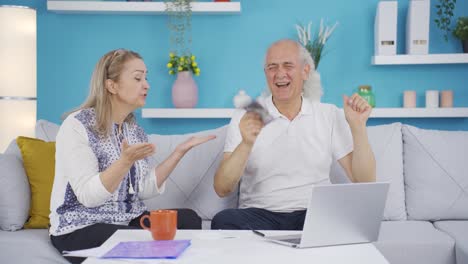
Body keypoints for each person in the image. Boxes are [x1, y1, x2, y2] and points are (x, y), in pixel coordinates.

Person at [49, 49, 215, 263]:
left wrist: (178, 152)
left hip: (127, 221)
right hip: (81, 225)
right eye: (138, 78)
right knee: (133, 238)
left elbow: (141, 190)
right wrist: (124, 162)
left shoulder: (133, 129)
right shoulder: (77, 125)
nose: (146, 85)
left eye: (146, 78)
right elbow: (88, 197)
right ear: (112, 85)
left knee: (187, 219)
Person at [211, 39, 376, 230]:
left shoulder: (328, 114)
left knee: (351, 218)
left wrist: (358, 127)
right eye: (272, 67)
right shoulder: (247, 115)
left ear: (305, 71)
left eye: (288, 66)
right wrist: (246, 144)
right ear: (266, 73)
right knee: (223, 221)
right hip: (259, 214)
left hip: (314, 213)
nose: (280, 74)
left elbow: (365, 182)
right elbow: (222, 189)